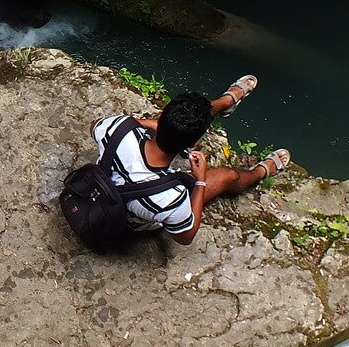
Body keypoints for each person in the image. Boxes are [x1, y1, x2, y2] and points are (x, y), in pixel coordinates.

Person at [91, 75, 290, 246]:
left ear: (160, 121)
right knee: (228, 176)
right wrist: (200, 180)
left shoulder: (116, 127)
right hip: (124, 220)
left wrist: (144, 124)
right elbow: (186, 237)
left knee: (185, 117)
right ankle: (261, 171)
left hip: (98, 192)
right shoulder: (169, 198)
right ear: (194, 143)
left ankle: (225, 103)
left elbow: (94, 126)